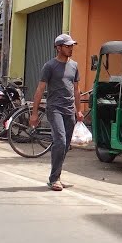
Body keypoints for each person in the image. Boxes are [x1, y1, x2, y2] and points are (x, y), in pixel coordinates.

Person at [29, 33, 82, 191]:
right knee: (60, 141)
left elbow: (77, 90)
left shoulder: (74, 66)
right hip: (55, 109)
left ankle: (57, 175)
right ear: (58, 48)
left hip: (69, 109)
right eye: (67, 46)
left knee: (65, 146)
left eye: (72, 45)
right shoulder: (50, 66)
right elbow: (40, 89)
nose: (71, 48)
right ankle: (54, 179)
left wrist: (79, 111)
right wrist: (34, 112)